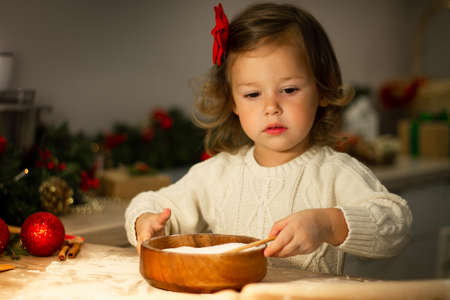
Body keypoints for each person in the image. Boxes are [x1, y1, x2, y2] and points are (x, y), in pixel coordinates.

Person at [125, 2, 412, 275]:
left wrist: (327, 224)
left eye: (289, 90)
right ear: (233, 102)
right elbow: (152, 203)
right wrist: (146, 222)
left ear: (323, 90)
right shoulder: (217, 175)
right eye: (252, 94)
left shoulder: (335, 172)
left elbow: (396, 223)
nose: (271, 107)